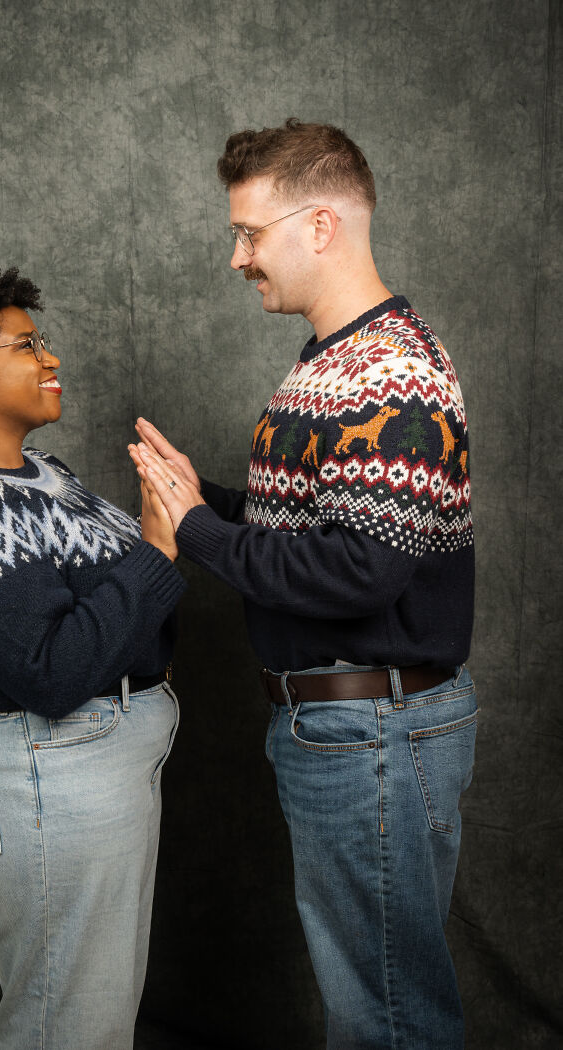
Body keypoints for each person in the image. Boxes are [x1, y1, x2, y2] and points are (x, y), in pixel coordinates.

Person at [129, 119, 476, 1049]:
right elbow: (321, 526)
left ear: (319, 226)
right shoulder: (334, 360)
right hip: (348, 728)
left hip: (372, 733)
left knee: (388, 1015)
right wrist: (207, 496)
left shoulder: (390, 372)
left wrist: (196, 528)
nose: (237, 257)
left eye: (250, 233)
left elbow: (360, 574)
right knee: (377, 997)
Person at [0, 265, 185, 1050]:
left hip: (80, 768)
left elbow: (93, 597)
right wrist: (157, 551)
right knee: (70, 1028)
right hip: (45, 771)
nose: (49, 359)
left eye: (41, 342)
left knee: (90, 1018)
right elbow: (50, 671)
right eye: (24, 345)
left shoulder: (33, 477)